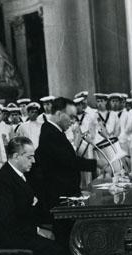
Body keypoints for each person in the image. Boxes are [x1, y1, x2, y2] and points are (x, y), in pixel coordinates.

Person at [32, 97, 97, 230]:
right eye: (71, 116)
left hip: (64, 195)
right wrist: (96, 164)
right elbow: (68, 160)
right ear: (59, 114)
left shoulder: (55, 131)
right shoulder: (50, 132)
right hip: (59, 198)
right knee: (66, 233)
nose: (73, 121)